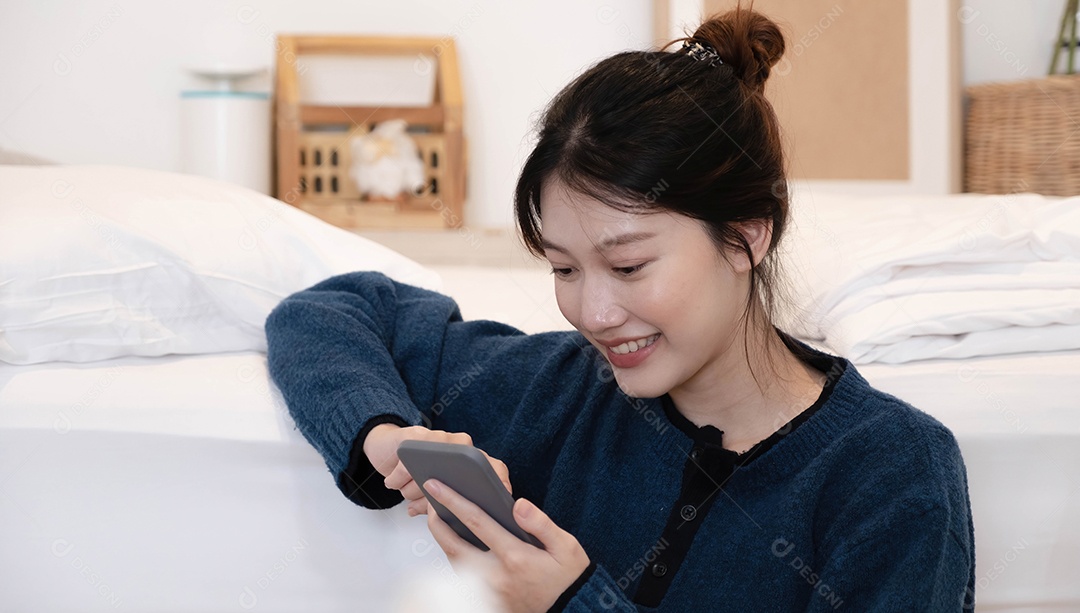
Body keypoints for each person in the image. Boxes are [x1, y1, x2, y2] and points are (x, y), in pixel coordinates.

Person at [265, 7, 976, 612]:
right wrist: (383, 437)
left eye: (628, 265)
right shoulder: (561, 389)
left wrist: (570, 599)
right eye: (564, 268)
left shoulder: (893, 472)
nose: (594, 312)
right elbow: (332, 312)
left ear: (746, 234)